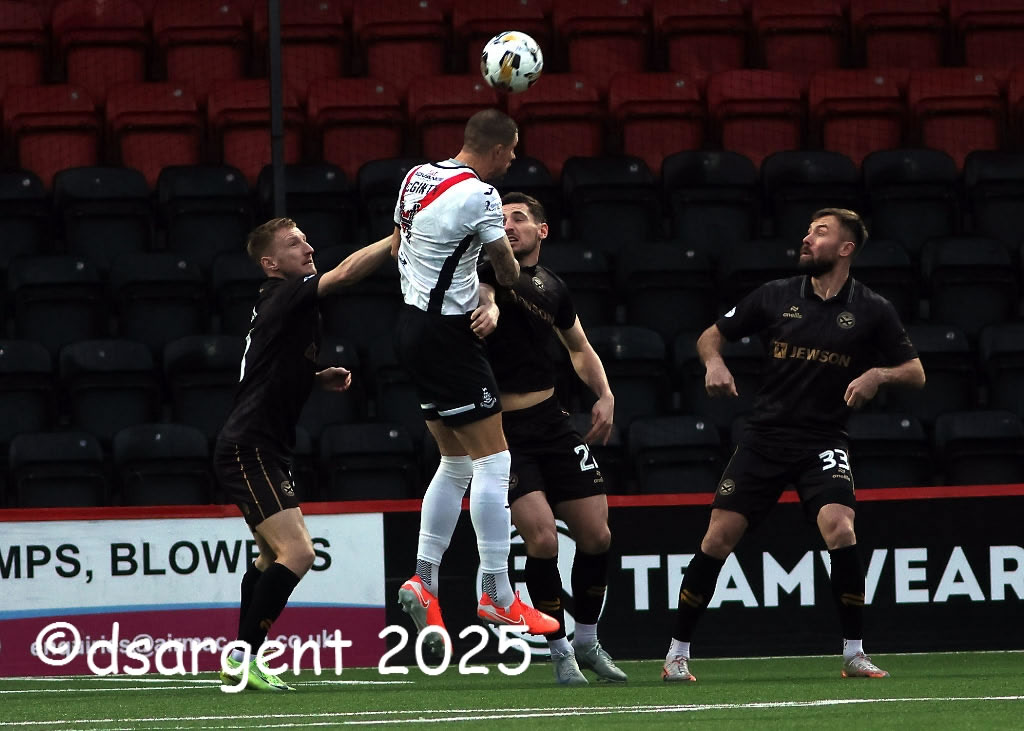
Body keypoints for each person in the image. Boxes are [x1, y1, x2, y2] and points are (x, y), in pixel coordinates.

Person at [662, 208, 926, 683]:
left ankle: (854, 653)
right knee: (718, 538)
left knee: (840, 528)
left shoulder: (873, 308)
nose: (807, 238)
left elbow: (916, 372)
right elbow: (709, 337)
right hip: (764, 437)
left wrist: (877, 374)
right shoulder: (775, 294)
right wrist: (714, 363)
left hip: (823, 440)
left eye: (820, 232)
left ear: (846, 248)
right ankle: (676, 653)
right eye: (807, 230)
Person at [393, 109, 559, 654]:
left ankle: (424, 578)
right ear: (499, 148)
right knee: (494, 460)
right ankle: (496, 590)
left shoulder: (417, 176)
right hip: (449, 335)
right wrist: (497, 279)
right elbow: (508, 269)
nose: (513, 160)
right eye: (512, 150)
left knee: (455, 462)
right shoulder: (482, 196)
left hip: (410, 328)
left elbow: (399, 245)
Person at [215, 218, 392, 691]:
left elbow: (262, 371)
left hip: (260, 446)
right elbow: (346, 274)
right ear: (270, 264)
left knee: (269, 558)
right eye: (295, 244)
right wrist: (397, 237)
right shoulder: (285, 294)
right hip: (250, 447)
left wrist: (313, 378)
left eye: (307, 239)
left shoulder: (279, 303)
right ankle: (245, 655)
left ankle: (241, 657)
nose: (309, 248)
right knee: (298, 553)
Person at [471, 192, 628, 685]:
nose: (507, 225)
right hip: (502, 431)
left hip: (553, 422)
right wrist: (489, 310)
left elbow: (579, 347)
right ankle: (559, 650)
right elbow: (485, 294)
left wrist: (605, 395)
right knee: (541, 540)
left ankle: (587, 641)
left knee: (597, 535)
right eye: (500, 219)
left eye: (518, 218)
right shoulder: (485, 271)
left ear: (542, 230)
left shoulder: (553, 287)